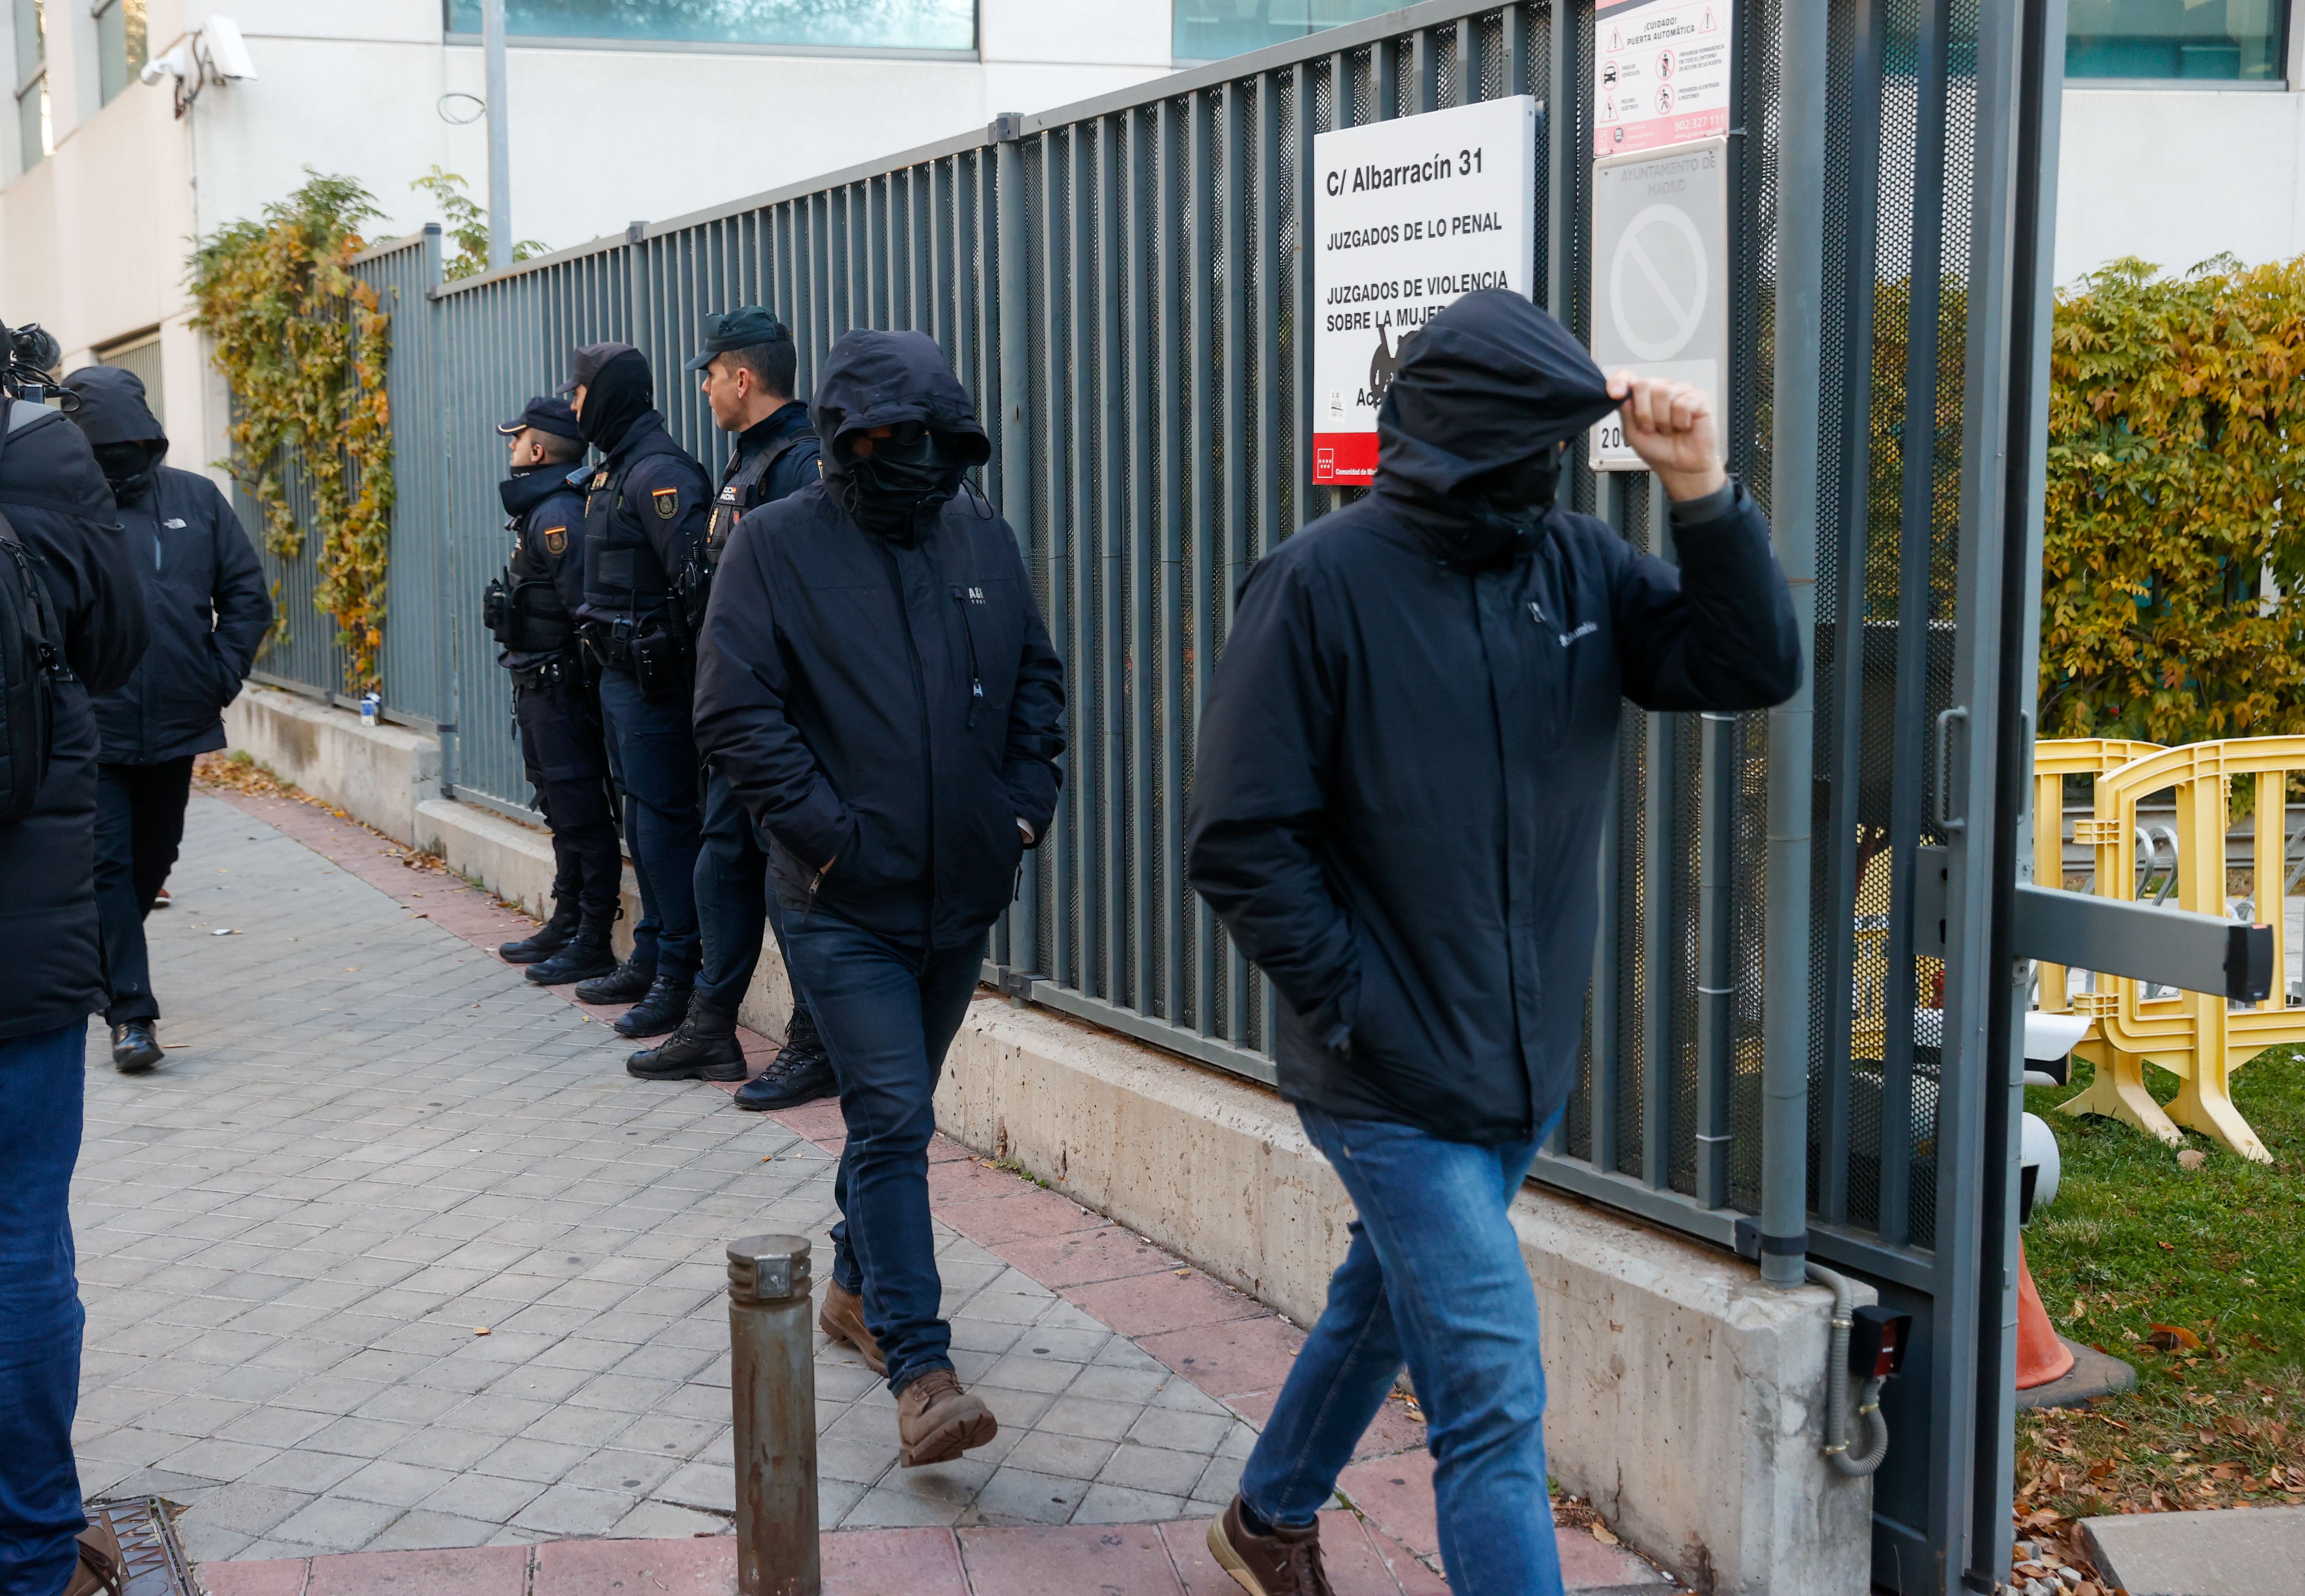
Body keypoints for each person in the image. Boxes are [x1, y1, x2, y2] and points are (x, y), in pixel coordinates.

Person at [1184, 290, 1802, 1596]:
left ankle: (1263, 1518)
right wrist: (1365, 1011)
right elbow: (1241, 838)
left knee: (1377, 1302)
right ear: (1467, 438)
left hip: (1521, 1057)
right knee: (1492, 1387)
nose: (1557, 467)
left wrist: (1703, 493)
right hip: (1385, 1075)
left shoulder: (1577, 564)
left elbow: (1747, 662)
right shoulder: (1318, 586)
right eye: (1536, 439)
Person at [698, 328, 1064, 1466]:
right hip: (839, 899)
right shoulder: (772, 545)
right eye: (887, 439)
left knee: (888, 1110)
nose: (913, 457)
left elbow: (1036, 685)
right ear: (845, 439)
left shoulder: (980, 535)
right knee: (896, 1115)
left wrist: (1018, 812)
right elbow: (734, 713)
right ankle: (922, 1368)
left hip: (961, 891)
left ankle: (857, 1286)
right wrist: (830, 841)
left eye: (934, 440)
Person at [0, 240, 145, 1595]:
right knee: (8, 1254)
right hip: (9, 933)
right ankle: (29, 1550)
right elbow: (117, 649)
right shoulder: (37, 448)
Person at [627, 308, 833, 1102]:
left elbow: (818, 604)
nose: (705, 389)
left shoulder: (803, 465)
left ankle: (815, 1042)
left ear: (741, 378)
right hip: (738, 714)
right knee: (724, 865)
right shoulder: (750, 461)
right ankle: (714, 1025)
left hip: (782, 720)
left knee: (790, 884)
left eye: (709, 375)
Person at [60, 363, 273, 1075]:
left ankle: (104, 960)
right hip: (95, 722)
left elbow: (247, 597)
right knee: (109, 865)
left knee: (157, 857)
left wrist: (218, 675)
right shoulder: (62, 505)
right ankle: (132, 1014)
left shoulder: (197, 499)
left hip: (180, 715)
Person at [566, 341, 712, 1039]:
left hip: (657, 687)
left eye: (580, 392)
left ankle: (680, 978)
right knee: (642, 826)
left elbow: (699, 588)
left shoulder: (660, 473)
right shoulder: (616, 471)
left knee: (664, 828)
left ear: (610, 395)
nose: (572, 405)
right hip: (619, 679)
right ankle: (653, 952)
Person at [485, 396, 623, 986]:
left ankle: (592, 938)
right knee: (560, 810)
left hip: (559, 689)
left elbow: (580, 614)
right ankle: (567, 918)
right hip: (538, 684)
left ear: (537, 451)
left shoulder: (559, 514)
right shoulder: (542, 510)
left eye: (516, 440)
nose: (510, 448)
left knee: (580, 812)